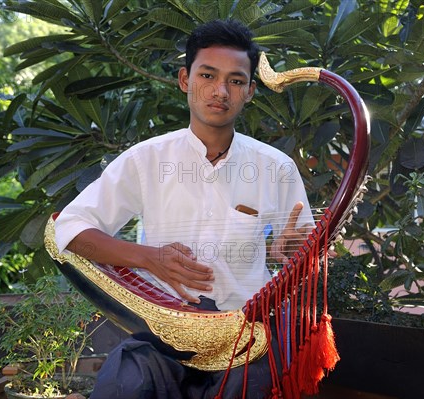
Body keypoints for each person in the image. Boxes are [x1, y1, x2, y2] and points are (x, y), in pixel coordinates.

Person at [54, 19, 312, 399]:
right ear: (184, 80)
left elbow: (305, 257)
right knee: (124, 382)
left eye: (236, 81)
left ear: (250, 92)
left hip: (245, 339)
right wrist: (149, 258)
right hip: (161, 336)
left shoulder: (276, 166)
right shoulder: (146, 159)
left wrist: (292, 253)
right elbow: (70, 228)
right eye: (207, 75)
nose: (220, 90)